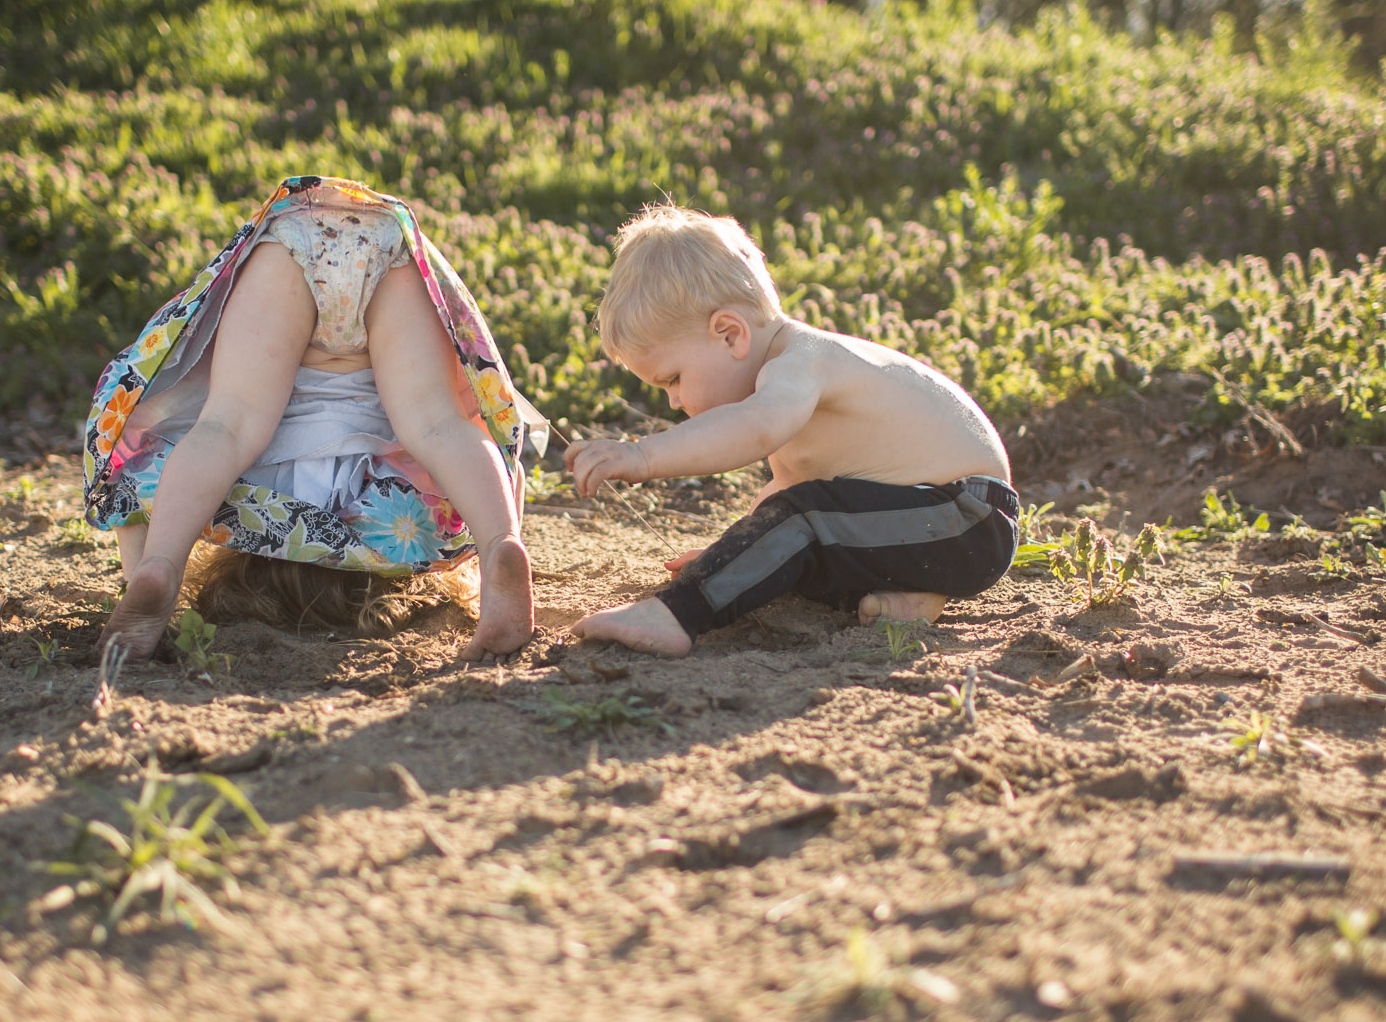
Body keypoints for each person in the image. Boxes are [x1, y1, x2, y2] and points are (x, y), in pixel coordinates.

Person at [84, 176, 544, 661]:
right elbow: (494, 460)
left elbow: (506, 464)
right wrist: (498, 526)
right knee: (435, 425)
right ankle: (501, 547)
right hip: (353, 241)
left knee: (229, 426)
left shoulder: (386, 517)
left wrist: (502, 513)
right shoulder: (308, 503)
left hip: (325, 241)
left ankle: (159, 568)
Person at [564, 204, 1018, 657]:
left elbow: (754, 433)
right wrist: (734, 555)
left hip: (966, 516)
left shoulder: (800, 363)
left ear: (729, 334)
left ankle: (676, 615)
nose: (675, 401)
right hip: (927, 528)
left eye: (673, 379)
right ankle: (912, 595)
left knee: (803, 520)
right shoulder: (789, 384)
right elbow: (783, 500)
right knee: (797, 527)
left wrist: (643, 456)